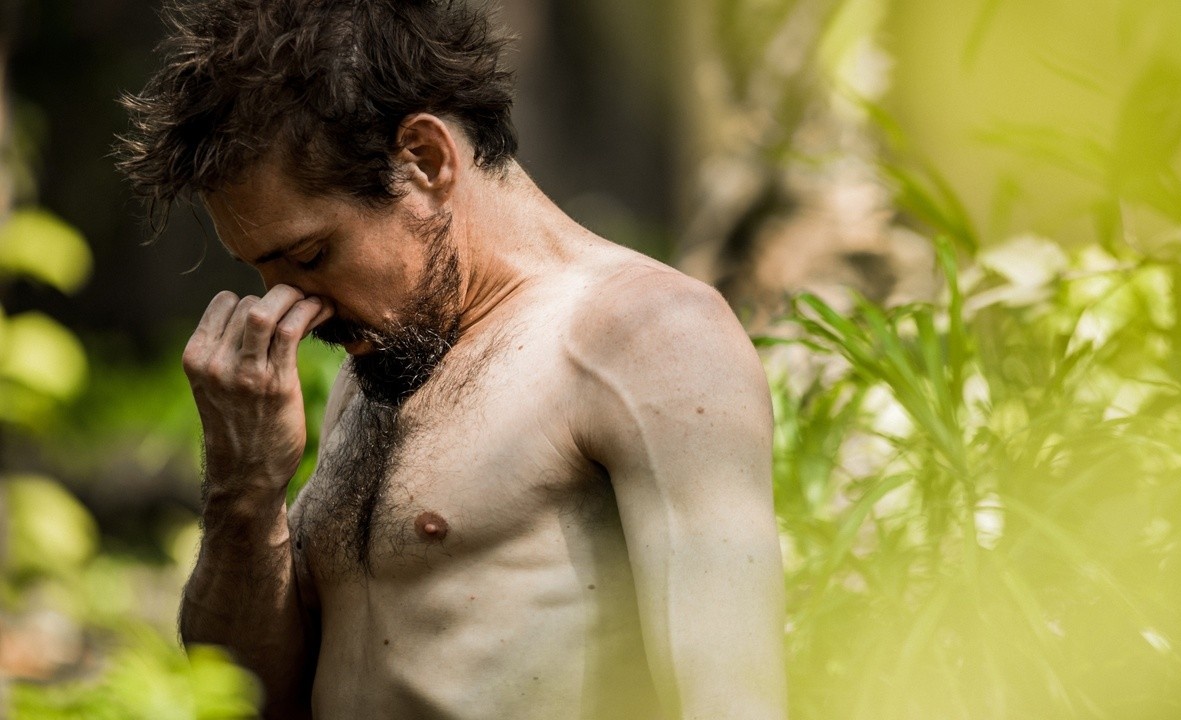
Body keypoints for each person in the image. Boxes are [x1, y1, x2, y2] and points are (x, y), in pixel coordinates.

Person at [118, 1, 786, 718]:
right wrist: (243, 487)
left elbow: (733, 703)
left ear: (426, 159)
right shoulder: (384, 366)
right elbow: (248, 696)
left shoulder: (652, 336)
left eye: (311, 256)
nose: (292, 308)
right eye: (265, 272)